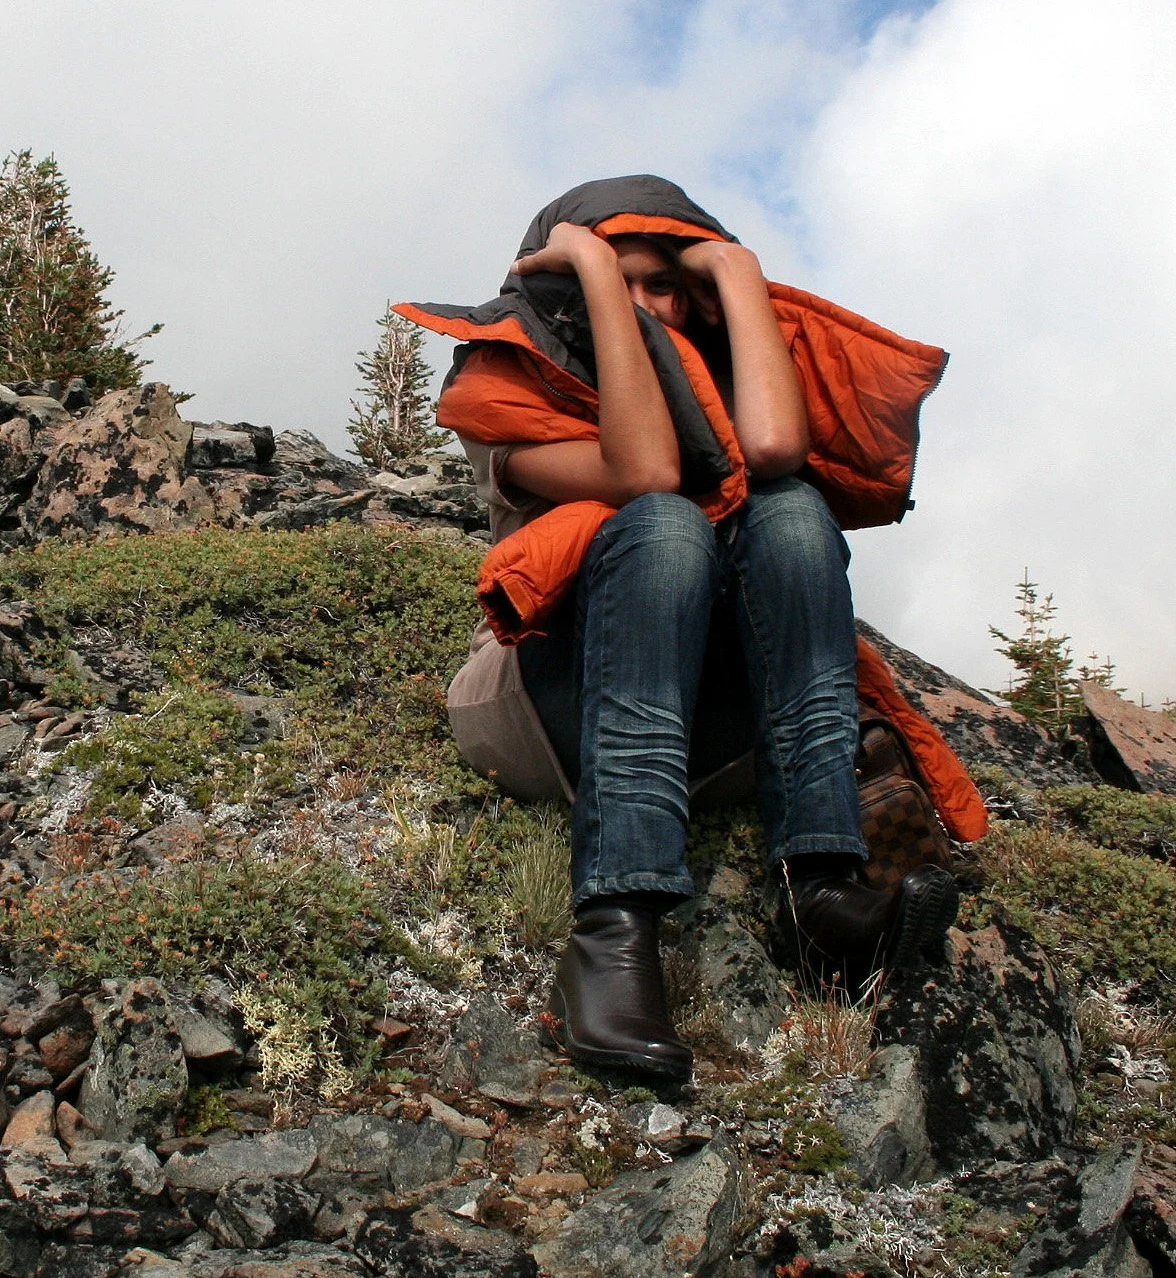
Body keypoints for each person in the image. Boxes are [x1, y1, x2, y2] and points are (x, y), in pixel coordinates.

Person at [395, 176, 983, 1085]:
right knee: (664, 521)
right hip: (544, 707)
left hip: (708, 716)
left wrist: (738, 274)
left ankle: (821, 890)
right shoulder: (506, 387)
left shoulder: (725, 367)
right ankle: (614, 930)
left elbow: (779, 449)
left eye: (662, 283)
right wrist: (596, 272)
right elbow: (646, 467)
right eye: (612, 278)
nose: (641, 303)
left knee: (788, 508)